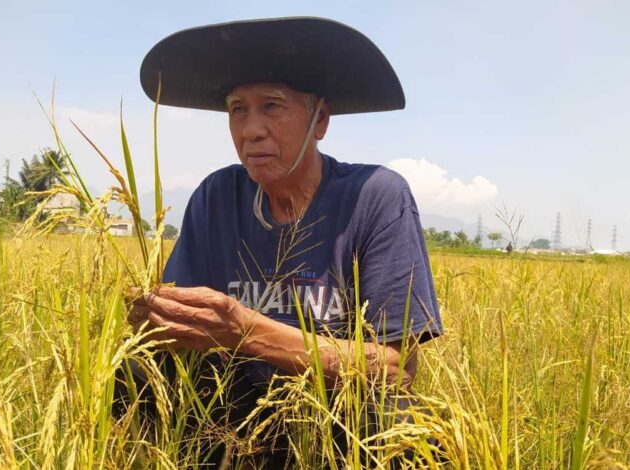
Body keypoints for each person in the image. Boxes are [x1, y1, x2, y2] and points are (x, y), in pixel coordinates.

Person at [117, 17, 444, 466]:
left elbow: (394, 369)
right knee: (130, 376)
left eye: (272, 106)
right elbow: (183, 326)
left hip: (336, 417)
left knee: (404, 430)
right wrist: (156, 320)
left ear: (320, 119)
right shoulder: (217, 196)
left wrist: (246, 330)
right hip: (236, 414)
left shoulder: (375, 196)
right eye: (237, 109)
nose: (251, 130)